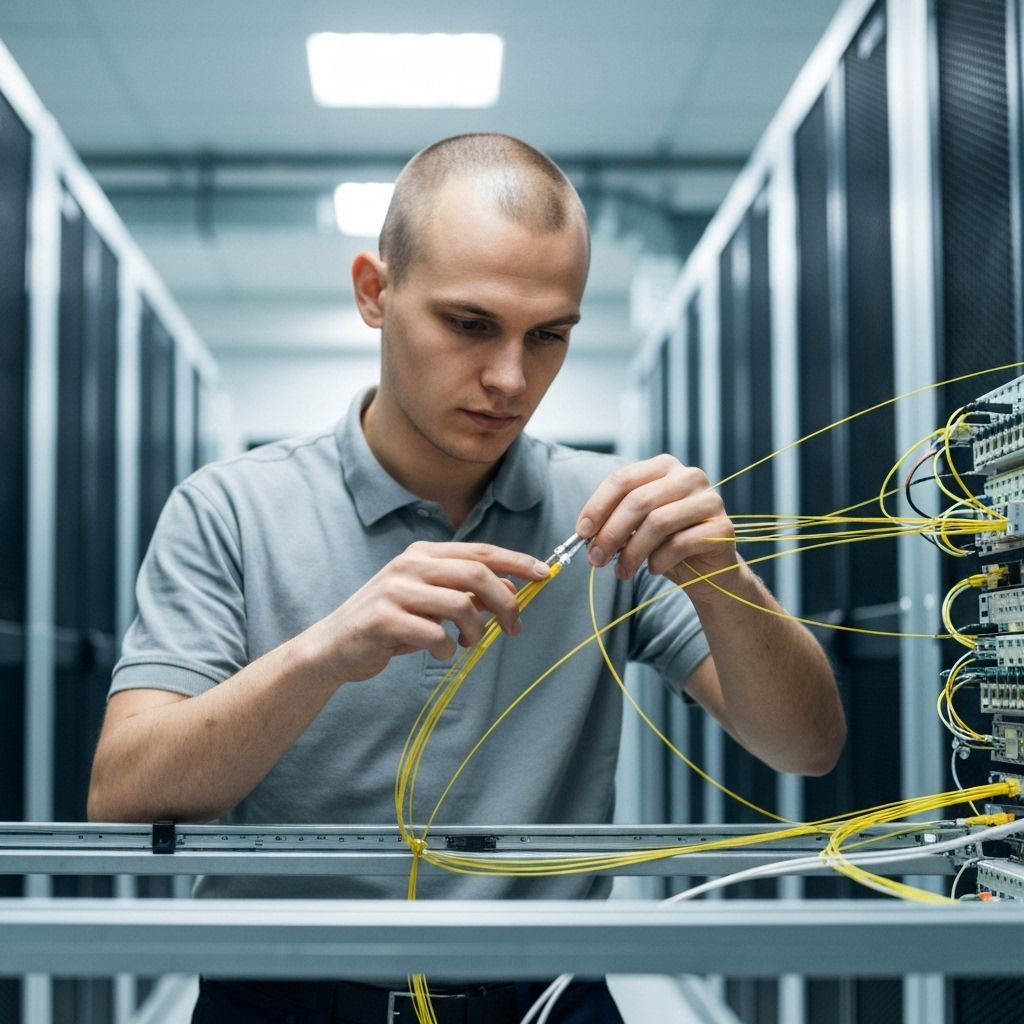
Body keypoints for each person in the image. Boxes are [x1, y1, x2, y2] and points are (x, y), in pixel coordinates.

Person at [88, 133, 846, 1024]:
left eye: (549, 336)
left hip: (548, 1001)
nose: (509, 379)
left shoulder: (603, 517)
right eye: (470, 324)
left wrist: (723, 579)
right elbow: (122, 796)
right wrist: (327, 651)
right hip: (281, 999)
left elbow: (808, 748)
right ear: (376, 293)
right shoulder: (230, 510)